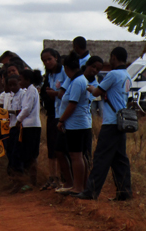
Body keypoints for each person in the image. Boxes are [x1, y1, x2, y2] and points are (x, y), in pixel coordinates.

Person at [77, 46, 133, 201]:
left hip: (111, 122)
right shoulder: (127, 75)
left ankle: (91, 191)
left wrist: (87, 86)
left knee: (101, 157)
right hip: (121, 122)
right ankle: (124, 192)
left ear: (114, 57)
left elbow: (96, 92)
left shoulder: (113, 74)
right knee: (119, 159)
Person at [57, 52, 91, 196]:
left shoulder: (77, 81)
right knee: (79, 155)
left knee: (76, 155)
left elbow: (72, 104)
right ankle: (82, 185)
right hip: (79, 123)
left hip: (76, 124)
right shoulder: (79, 79)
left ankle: (78, 187)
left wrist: (61, 120)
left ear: (66, 67)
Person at [40, 47, 65, 189]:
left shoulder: (64, 72)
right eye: (44, 61)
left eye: (49, 59)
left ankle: (63, 178)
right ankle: (52, 177)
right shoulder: (49, 75)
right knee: (52, 146)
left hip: (62, 114)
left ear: (56, 57)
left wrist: (54, 94)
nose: (47, 62)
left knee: (60, 148)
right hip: (52, 113)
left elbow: (67, 92)